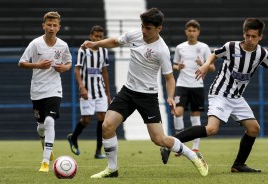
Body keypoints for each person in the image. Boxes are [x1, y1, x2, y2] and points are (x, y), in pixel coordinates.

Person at [81, 7, 208, 178]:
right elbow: (115, 42)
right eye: (142, 26)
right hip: (127, 92)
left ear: (158, 28)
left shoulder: (161, 50)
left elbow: (169, 78)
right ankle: (112, 169)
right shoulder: (135, 35)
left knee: (159, 139)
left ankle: (194, 156)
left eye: (148, 28)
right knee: (107, 126)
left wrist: (170, 97)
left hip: (147, 96)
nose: (143, 31)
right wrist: (95, 44)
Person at [162, 17, 267, 172]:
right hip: (220, 93)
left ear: (260, 37)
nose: (250, 39)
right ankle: (169, 143)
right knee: (212, 129)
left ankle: (238, 165)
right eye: (247, 35)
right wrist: (206, 64)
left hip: (237, 97)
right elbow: (214, 54)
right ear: (244, 33)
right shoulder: (231, 47)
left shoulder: (262, 53)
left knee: (253, 129)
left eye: (254, 36)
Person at [18, 11, 72, 172]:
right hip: (37, 90)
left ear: (59, 27)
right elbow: (21, 63)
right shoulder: (35, 44)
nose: (51, 28)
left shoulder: (62, 45)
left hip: (54, 89)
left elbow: (69, 62)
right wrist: (38, 65)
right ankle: (44, 141)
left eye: (55, 25)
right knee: (41, 126)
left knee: (50, 121)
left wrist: (65, 68)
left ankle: (45, 161)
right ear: (44, 26)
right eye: (49, 24)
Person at [160, 20, 215, 161]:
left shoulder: (204, 47)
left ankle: (195, 148)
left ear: (198, 32)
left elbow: (212, 67)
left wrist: (202, 64)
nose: (191, 33)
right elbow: (174, 66)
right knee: (177, 112)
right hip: (182, 84)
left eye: (194, 30)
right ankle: (179, 144)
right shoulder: (180, 47)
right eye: (189, 30)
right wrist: (179, 67)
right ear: (186, 32)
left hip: (197, 85)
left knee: (195, 117)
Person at [67, 25, 111, 159]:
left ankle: (98, 151)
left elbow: (104, 72)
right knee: (86, 120)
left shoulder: (104, 51)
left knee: (102, 120)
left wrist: (108, 94)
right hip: (87, 91)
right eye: (96, 36)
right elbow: (77, 70)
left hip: (100, 91)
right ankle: (73, 138)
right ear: (91, 36)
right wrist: (82, 87)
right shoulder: (83, 49)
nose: (98, 38)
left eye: (100, 37)